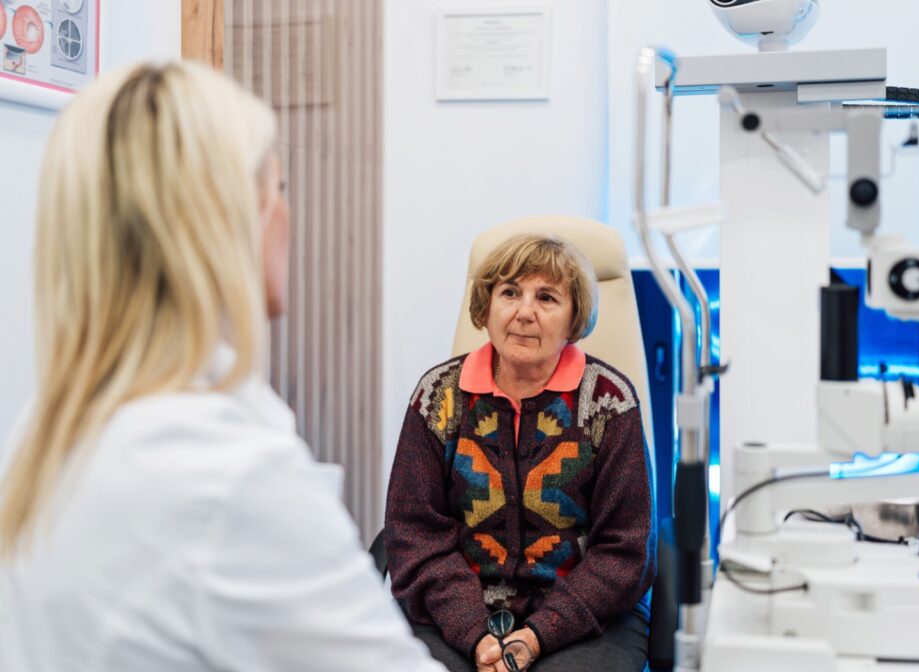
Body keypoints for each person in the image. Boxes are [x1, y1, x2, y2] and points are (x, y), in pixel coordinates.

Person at [0, 61, 444, 672]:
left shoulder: (47, 424)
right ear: (233, 223)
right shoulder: (226, 475)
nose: (288, 215)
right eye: (279, 190)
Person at [385, 234, 656, 672]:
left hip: (586, 621)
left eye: (546, 297)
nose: (524, 312)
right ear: (486, 307)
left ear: (573, 318)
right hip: (452, 617)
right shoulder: (438, 397)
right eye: (509, 292)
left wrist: (537, 635)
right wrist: (476, 636)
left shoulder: (609, 402)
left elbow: (624, 552)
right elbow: (416, 538)